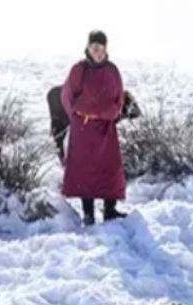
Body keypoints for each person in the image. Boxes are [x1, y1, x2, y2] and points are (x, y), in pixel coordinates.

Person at [61, 30, 127, 225]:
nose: (97, 52)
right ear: (88, 48)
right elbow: (67, 97)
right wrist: (78, 118)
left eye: (101, 48)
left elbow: (118, 100)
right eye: (94, 48)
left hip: (106, 128)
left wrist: (106, 113)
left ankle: (110, 210)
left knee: (109, 168)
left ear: (106, 49)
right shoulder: (78, 70)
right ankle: (88, 213)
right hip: (83, 130)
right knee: (85, 171)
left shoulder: (112, 71)